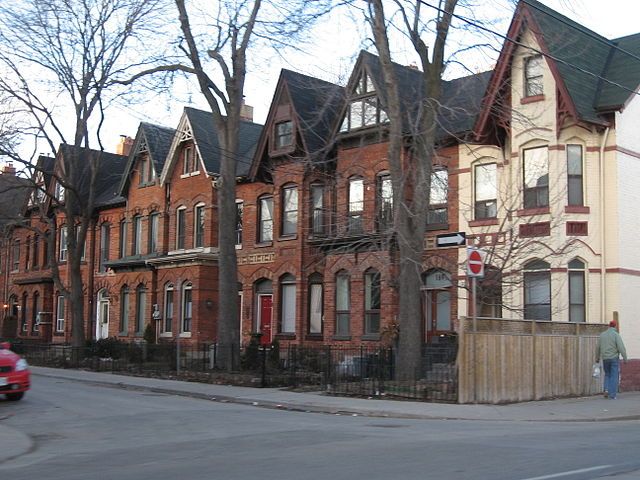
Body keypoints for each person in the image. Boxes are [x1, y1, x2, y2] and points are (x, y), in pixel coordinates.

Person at [595, 319, 627, 399]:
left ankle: (606, 390)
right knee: (614, 376)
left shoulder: (602, 335)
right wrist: (625, 358)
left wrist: (597, 358)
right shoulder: (616, 335)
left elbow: (597, 347)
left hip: (605, 358)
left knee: (607, 374)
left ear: (608, 326)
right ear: (615, 326)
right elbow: (621, 348)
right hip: (614, 358)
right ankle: (612, 394)